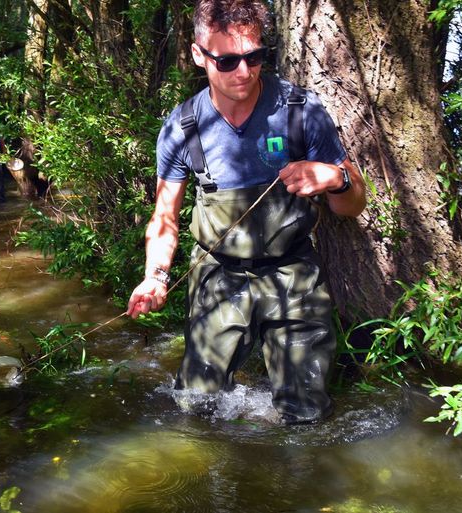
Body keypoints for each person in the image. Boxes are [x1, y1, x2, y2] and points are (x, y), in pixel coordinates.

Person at [126, 0, 366, 424]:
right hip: (218, 274)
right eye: (228, 60)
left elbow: (352, 206)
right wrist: (155, 277)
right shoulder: (182, 128)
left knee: (306, 413)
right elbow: (164, 218)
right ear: (199, 54)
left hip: (292, 273)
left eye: (254, 56)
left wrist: (337, 180)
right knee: (195, 406)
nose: (244, 71)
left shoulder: (301, 112)